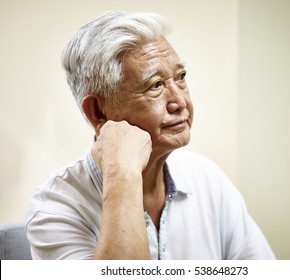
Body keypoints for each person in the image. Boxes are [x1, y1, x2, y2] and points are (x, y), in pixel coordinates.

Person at [26, 11, 275, 260]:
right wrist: (123, 174)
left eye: (181, 78)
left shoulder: (207, 178)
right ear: (98, 112)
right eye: (155, 85)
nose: (180, 101)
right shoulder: (54, 209)